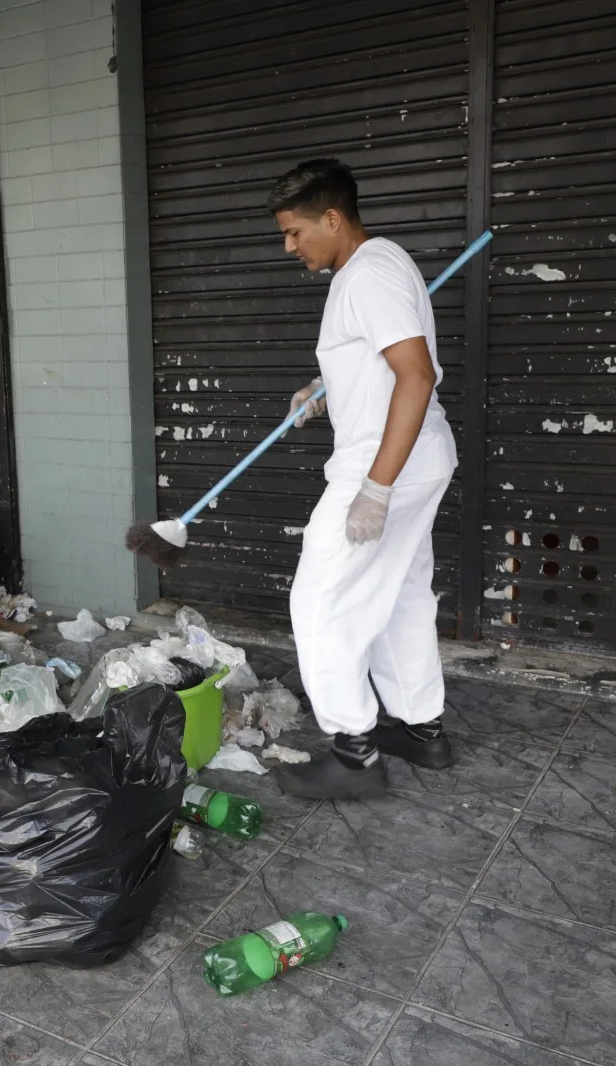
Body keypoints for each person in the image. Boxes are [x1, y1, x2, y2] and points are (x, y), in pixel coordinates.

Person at [266, 158, 457, 800]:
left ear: (332, 217)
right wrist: (326, 388)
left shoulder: (368, 275)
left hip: (385, 461)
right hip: (416, 453)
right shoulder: (372, 266)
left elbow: (417, 375)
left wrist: (375, 488)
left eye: (295, 233)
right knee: (402, 592)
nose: (290, 247)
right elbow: (379, 360)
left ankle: (354, 754)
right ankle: (420, 729)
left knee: (320, 602)